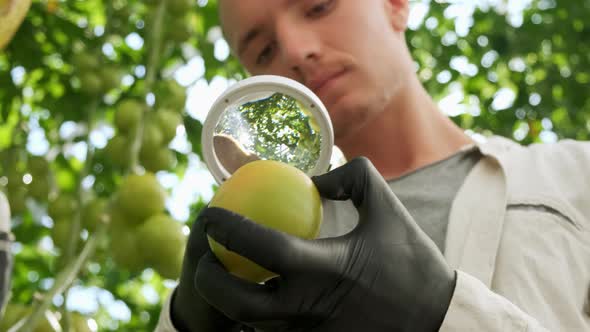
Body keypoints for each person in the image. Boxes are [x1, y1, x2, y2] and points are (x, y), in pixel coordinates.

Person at [156, 0, 590, 331]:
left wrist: (438, 310)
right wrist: (181, 324)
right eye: (264, 50)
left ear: (396, 4)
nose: (295, 50)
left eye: (318, 5)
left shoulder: (575, 175)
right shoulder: (268, 255)